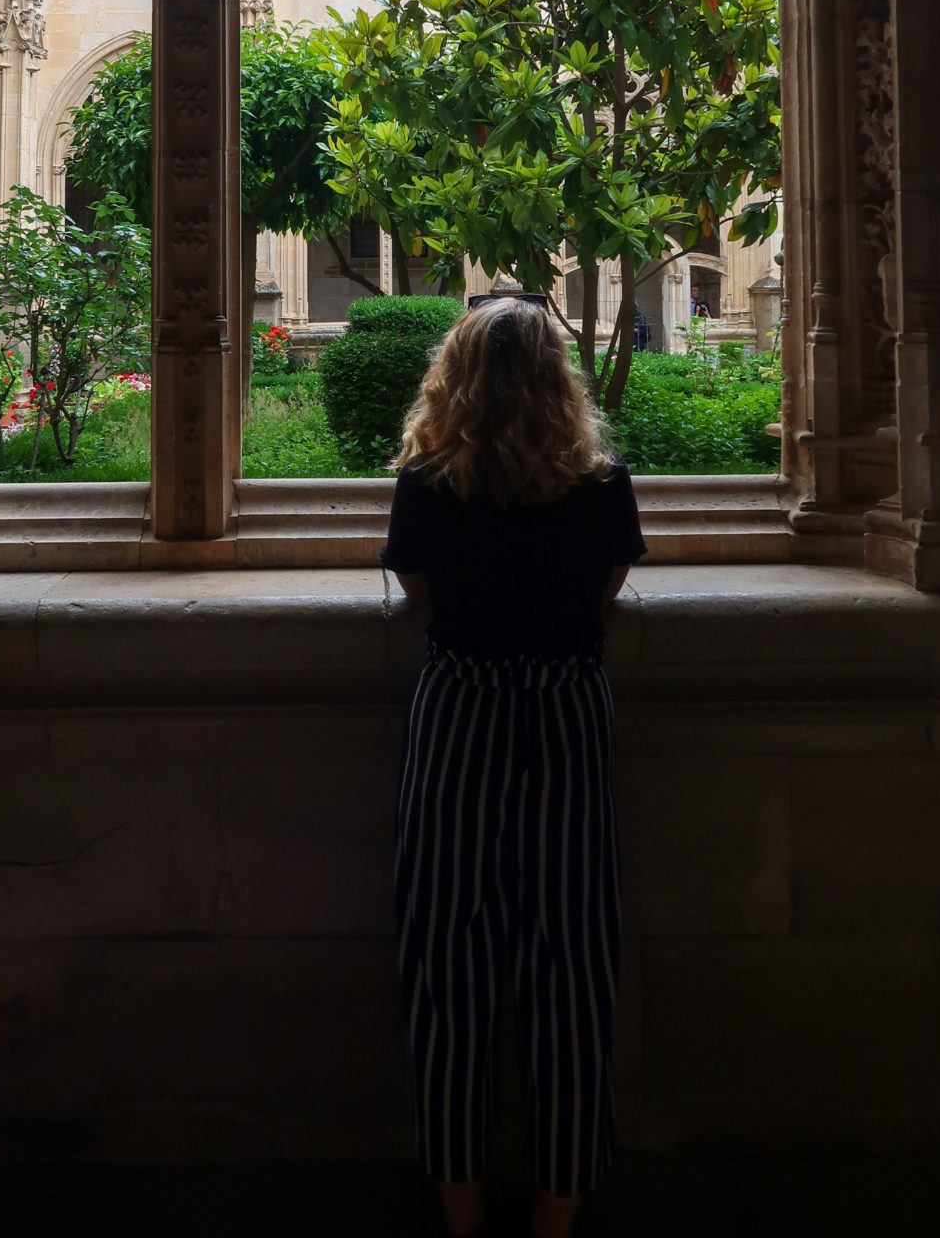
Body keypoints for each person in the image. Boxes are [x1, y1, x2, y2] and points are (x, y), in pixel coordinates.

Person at [382, 296, 644, 1238]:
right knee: (572, 964)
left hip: (460, 710)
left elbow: (419, 594)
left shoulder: (426, 484)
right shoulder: (602, 485)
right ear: (556, 378)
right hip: (567, 707)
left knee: (445, 958)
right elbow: (607, 589)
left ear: (456, 373)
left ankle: (459, 1208)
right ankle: (556, 1210)